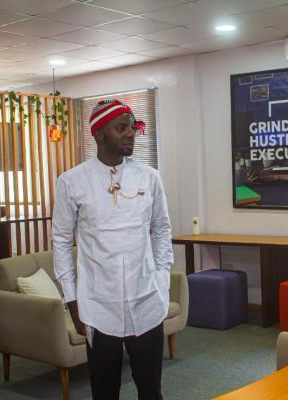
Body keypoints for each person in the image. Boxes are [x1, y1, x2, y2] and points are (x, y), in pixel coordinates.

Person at [52, 99, 173, 400]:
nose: (131, 133)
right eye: (121, 128)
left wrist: (162, 281)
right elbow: (62, 242)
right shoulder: (71, 182)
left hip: (146, 302)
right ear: (99, 134)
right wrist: (72, 299)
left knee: (151, 392)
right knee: (105, 393)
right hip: (98, 308)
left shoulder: (149, 177)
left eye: (131, 127)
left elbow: (161, 230)